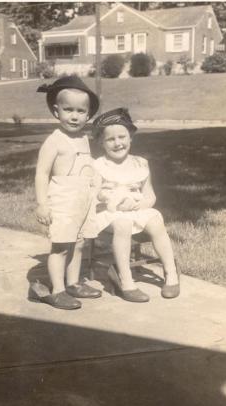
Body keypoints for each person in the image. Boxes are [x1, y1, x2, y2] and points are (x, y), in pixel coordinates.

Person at [93, 108, 180, 303]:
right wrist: (109, 199)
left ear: (131, 137)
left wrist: (139, 205)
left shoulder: (140, 163)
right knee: (123, 223)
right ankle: (125, 279)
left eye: (122, 137)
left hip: (135, 208)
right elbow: (94, 195)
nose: (118, 143)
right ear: (101, 142)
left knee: (156, 219)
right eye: (110, 139)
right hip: (109, 212)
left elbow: (150, 195)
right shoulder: (99, 165)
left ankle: (171, 272)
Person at [29, 75, 102, 310]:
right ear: (55, 111)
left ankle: (73, 282)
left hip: (83, 198)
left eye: (81, 111)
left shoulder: (83, 138)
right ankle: (57, 289)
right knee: (61, 246)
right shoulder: (54, 141)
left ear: (88, 114)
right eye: (68, 109)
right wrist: (42, 204)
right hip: (63, 198)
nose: (74, 116)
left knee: (79, 243)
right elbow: (42, 173)